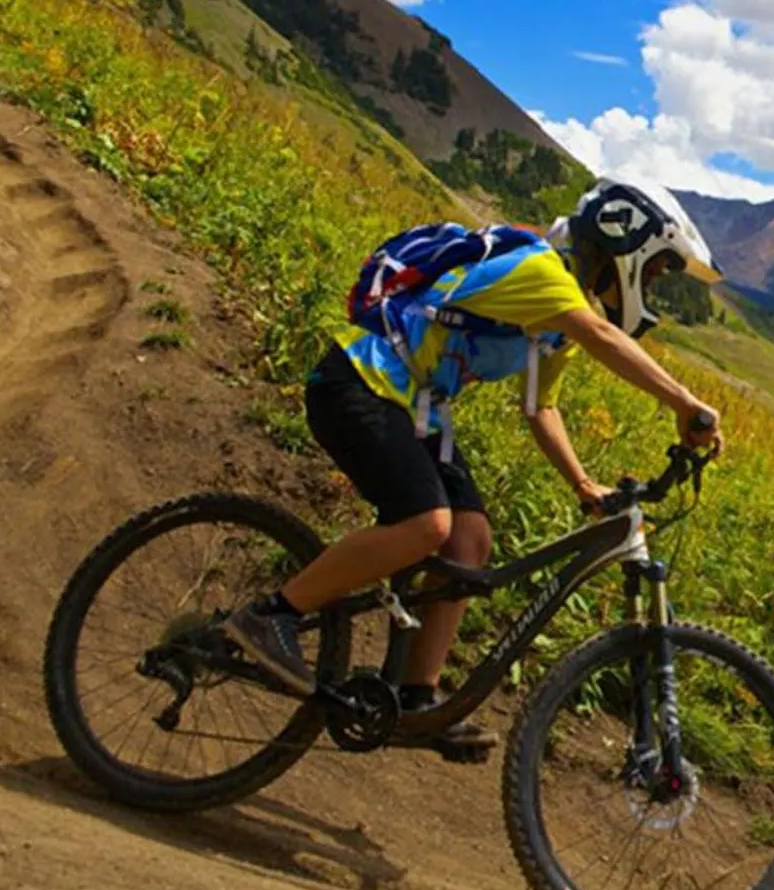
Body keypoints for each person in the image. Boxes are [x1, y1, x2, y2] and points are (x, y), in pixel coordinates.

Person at [225, 177, 724, 749]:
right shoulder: (543, 275)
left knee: (469, 541)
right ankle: (273, 615)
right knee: (426, 525)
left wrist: (584, 484)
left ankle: (418, 698)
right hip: (359, 383)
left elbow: (541, 407)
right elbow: (600, 335)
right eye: (657, 269)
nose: (654, 284)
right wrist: (684, 402)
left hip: (415, 409)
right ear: (626, 242)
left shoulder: (557, 321)